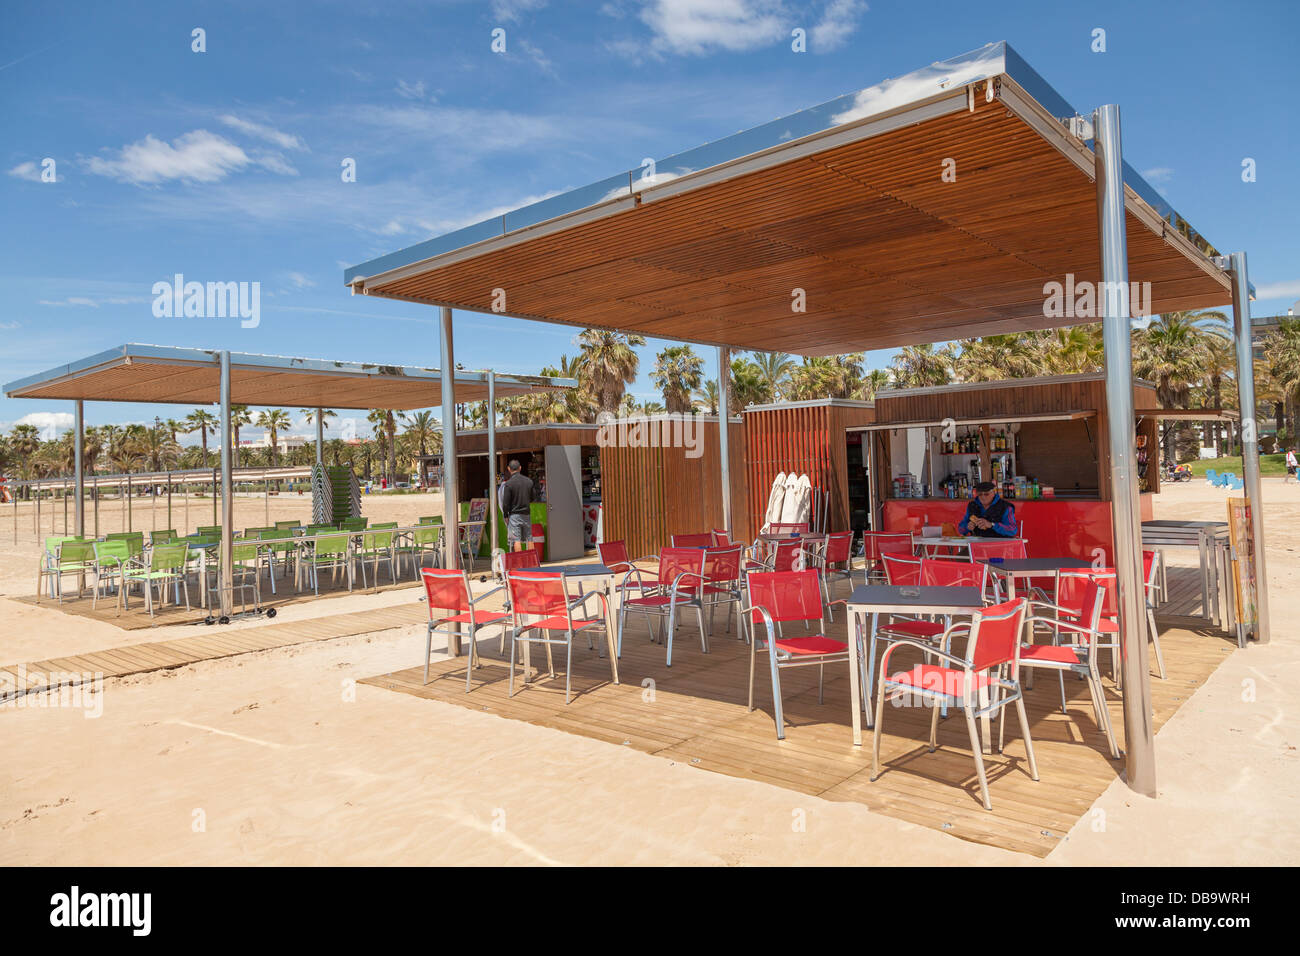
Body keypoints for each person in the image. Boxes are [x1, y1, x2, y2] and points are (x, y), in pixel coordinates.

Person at [498, 459, 535, 552]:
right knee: (529, 538)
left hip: (514, 516)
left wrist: (505, 515)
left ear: (509, 469)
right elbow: (533, 497)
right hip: (526, 514)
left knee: (516, 540)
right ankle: (531, 564)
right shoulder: (529, 481)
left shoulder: (509, 484)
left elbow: (505, 503)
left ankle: (519, 563)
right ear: (520, 468)